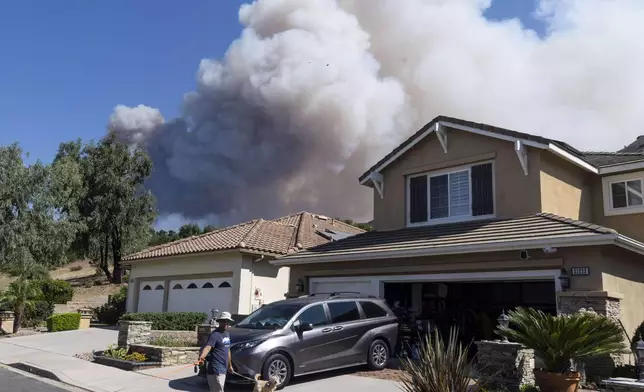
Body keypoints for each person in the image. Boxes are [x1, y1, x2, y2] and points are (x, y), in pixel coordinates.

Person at [196, 311, 234, 392]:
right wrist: (201, 357)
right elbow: (208, 347)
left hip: (223, 369)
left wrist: (230, 366)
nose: (226, 324)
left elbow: (228, 350)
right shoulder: (214, 335)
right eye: (224, 321)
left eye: (228, 322)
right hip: (215, 369)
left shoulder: (227, 334)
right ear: (220, 322)